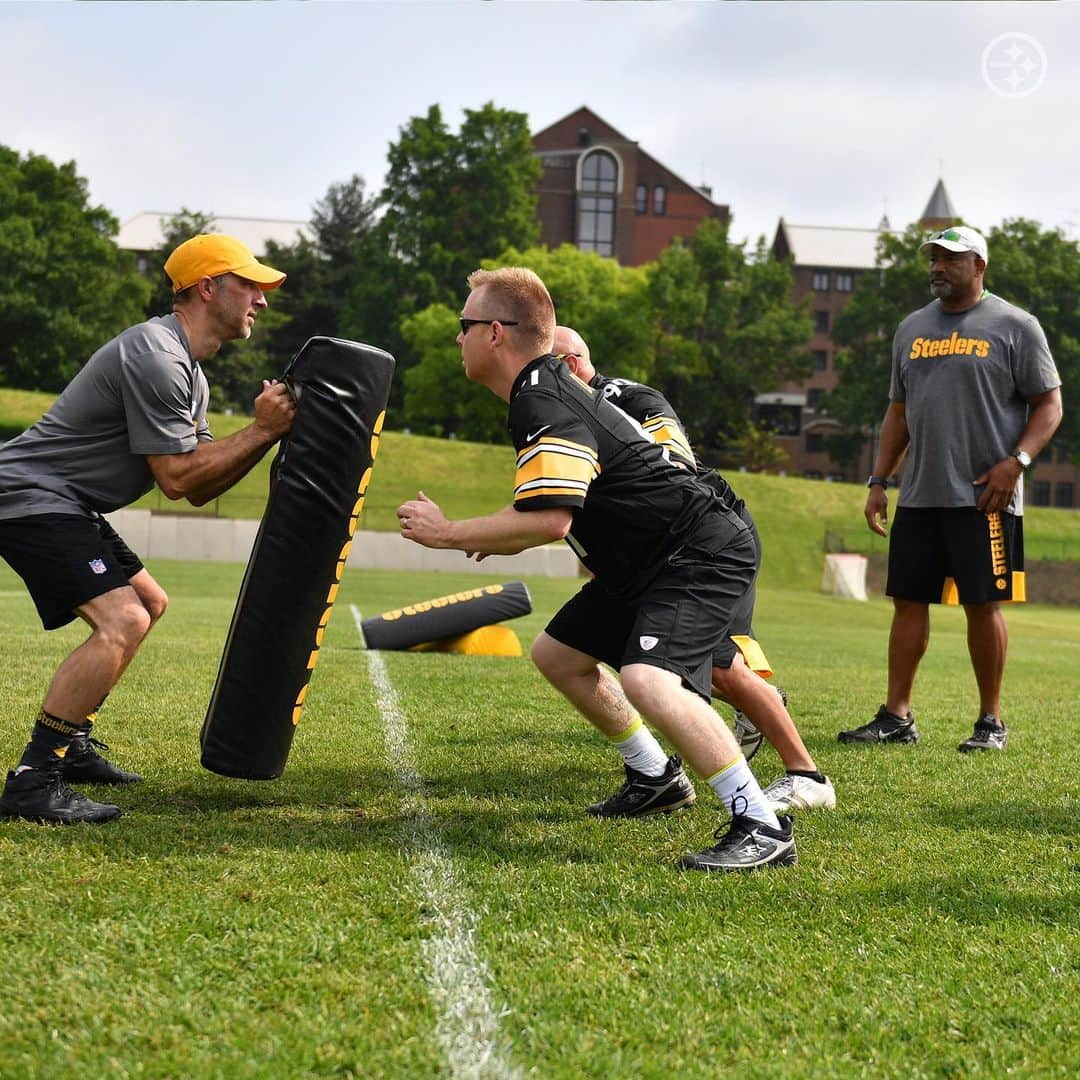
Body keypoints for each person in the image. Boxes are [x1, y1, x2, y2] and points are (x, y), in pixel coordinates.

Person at [399, 266, 797, 872]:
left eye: (465, 326)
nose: (459, 338)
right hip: (647, 560)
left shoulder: (540, 394)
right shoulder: (541, 387)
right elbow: (546, 509)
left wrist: (448, 533)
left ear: (497, 333)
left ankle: (761, 825)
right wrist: (485, 535)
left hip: (695, 551)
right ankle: (655, 778)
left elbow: (549, 521)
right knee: (558, 655)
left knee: (648, 679)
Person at [0, 234, 296, 823]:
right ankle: (34, 779)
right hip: (26, 495)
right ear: (207, 287)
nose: (262, 299)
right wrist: (261, 431)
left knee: (148, 602)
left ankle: (72, 742)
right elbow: (178, 479)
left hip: (65, 501)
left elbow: (202, 486)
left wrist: (265, 437)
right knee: (122, 619)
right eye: (250, 284)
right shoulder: (156, 356)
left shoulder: (192, 373)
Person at [548, 326, 834, 814]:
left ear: (571, 365)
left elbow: (672, 463)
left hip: (704, 541)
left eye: (543, 365)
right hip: (649, 554)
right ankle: (659, 771)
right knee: (606, 652)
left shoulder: (626, 398)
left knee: (722, 664)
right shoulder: (560, 409)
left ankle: (806, 775)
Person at [839, 226, 1063, 751]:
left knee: (983, 605)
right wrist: (878, 480)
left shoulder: (1016, 325)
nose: (938, 267)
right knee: (907, 601)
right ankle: (896, 717)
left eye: (950, 259)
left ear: (979, 265)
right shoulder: (911, 328)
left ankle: (991, 723)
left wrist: (1018, 462)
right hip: (919, 494)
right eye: (934, 259)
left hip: (985, 496)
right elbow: (898, 413)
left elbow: (1049, 404)